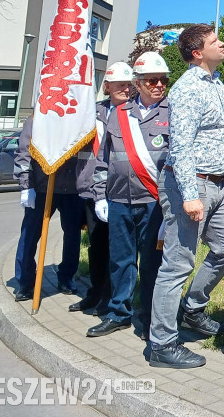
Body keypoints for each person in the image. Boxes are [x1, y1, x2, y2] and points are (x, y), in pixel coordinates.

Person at [148, 24, 224, 369]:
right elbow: (182, 145)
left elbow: (219, 139)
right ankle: (161, 343)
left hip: (219, 185)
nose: (223, 43)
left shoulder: (216, 83)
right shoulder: (187, 89)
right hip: (190, 186)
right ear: (197, 52)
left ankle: (193, 308)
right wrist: (190, 195)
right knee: (178, 263)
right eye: (216, 41)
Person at [87, 52, 171, 339]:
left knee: (151, 263)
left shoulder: (172, 113)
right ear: (138, 82)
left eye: (163, 80)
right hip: (119, 199)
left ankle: (149, 318)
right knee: (121, 260)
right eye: (152, 80)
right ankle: (118, 312)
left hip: (154, 203)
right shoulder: (120, 114)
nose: (159, 85)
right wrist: (100, 196)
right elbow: (103, 159)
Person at [69, 62, 133, 315]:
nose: (126, 90)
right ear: (107, 87)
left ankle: (112, 298)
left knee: (119, 251)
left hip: (121, 191)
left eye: (129, 85)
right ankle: (95, 292)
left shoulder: (135, 113)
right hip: (91, 190)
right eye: (120, 86)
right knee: (96, 246)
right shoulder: (92, 113)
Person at [13, 116, 84, 301]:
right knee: (29, 235)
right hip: (42, 187)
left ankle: (66, 277)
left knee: (72, 236)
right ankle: (26, 283)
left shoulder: (80, 116)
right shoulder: (37, 119)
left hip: (72, 187)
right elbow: (24, 153)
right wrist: (26, 186)